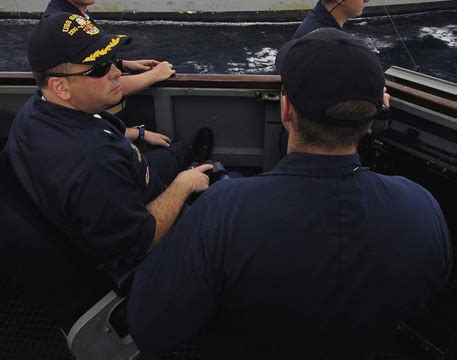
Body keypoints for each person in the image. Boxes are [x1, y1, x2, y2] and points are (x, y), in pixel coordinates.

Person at [127, 29, 451, 360]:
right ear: (370, 120)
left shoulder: (224, 210)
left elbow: (149, 328)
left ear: (286, 110)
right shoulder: (421, 207)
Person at [3, 13, 213, 278]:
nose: (117, 72)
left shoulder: (36, 112)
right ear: (60, 87)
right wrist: (183, 186)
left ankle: (191, 158)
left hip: (128, 178)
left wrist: (138, 134)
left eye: (112, 59)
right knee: (224, 204)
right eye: (100, 67)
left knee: (179, 151)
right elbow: (140, 241)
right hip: (141, 225)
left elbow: (94, 134)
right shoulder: (93, 164)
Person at [45, 0, 174, 96]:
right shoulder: (65, 26)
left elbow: (86, 67)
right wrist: (156, 74)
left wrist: (121, 64)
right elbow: (98, 88)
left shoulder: (73, 14)